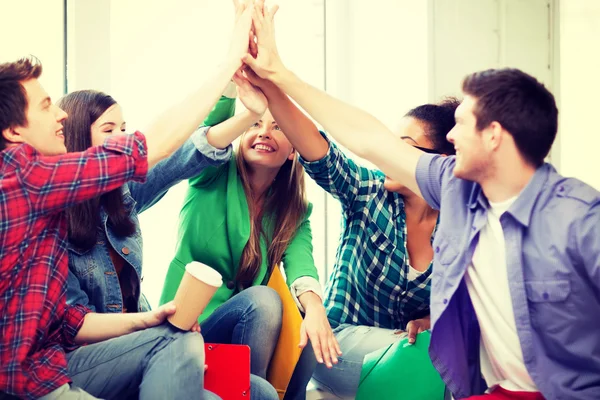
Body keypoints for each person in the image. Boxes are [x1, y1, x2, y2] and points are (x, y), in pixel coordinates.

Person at [243, 3, 600, 399]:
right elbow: (366, 138)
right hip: (448, 376)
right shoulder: (453, 189)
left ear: (494, 136)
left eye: (462, 124)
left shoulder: (579, 220)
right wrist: (277, 76)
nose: (452, 136)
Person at [0, 3, 257, 399]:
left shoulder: (62, 198)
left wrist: (147, 319)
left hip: (52, 369)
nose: (60, 117)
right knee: (179, 344)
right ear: (15, 131)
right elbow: (153, 144)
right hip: (34, 381)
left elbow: (69, 320)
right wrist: (228, 64)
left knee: (246, 390)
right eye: (47, 105)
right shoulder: (23, 177)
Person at [239, 57, 457, 397]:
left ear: (438, 163)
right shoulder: (367, 192)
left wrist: (432, 320)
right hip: (336, 347)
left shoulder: (460, 226)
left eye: (404, 147)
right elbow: (318, 151)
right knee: (426, 362)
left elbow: (466, 306)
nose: (388, 154)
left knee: (445, 358)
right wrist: (270, 82)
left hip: (406, 357)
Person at [160, 66, 340, 400]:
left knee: (309, 328)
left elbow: (303, 266)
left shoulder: (295, 210)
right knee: (264, 300)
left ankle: (252, 390)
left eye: (278, 127)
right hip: (188, 329)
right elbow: (211, 127)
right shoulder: (212, 173)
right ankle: (248, 390)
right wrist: (233, 73)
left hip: (242, 333)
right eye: (256, 124)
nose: (264, 132)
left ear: (294, 150)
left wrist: (315, 311)